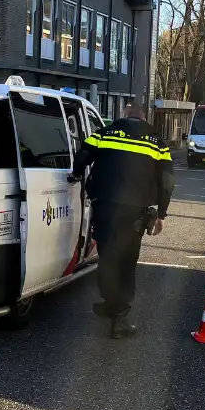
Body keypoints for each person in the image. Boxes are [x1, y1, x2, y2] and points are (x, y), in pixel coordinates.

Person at [70, 104, 174, 339]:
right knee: (126, 261)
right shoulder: (156, 143)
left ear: (125, 117)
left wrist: (75, 174)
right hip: (135, 212)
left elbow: (83, 154)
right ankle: (120, 318)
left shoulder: (105, 134)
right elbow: (167, 181)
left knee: (107, 257)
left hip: (105, 206)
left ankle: (110, 303)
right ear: (144, 118)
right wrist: (162, 213)